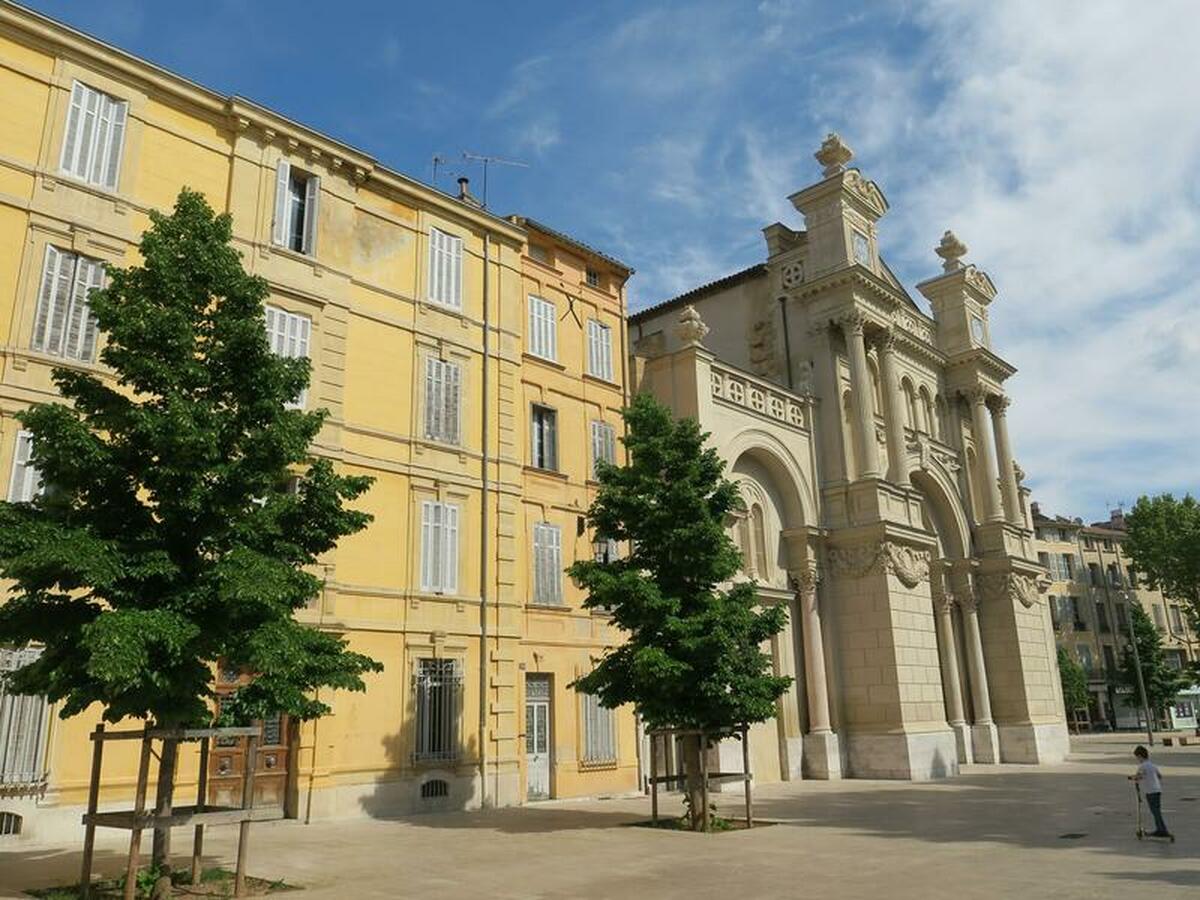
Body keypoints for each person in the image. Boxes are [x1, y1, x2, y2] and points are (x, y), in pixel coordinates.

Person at [1129, 745, 1172, 838]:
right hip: (1157, 790)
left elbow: (1139, 776)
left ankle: (1162, 830)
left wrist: (1132, 777)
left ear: (1140, 756)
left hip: (1150, 792)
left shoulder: (1142, 766)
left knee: (1155, 811)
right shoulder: (1153, 765)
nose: (1137, 759)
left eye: (1137, 757)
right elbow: (1159, 776)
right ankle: (1160, 828)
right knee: (1156, 811)